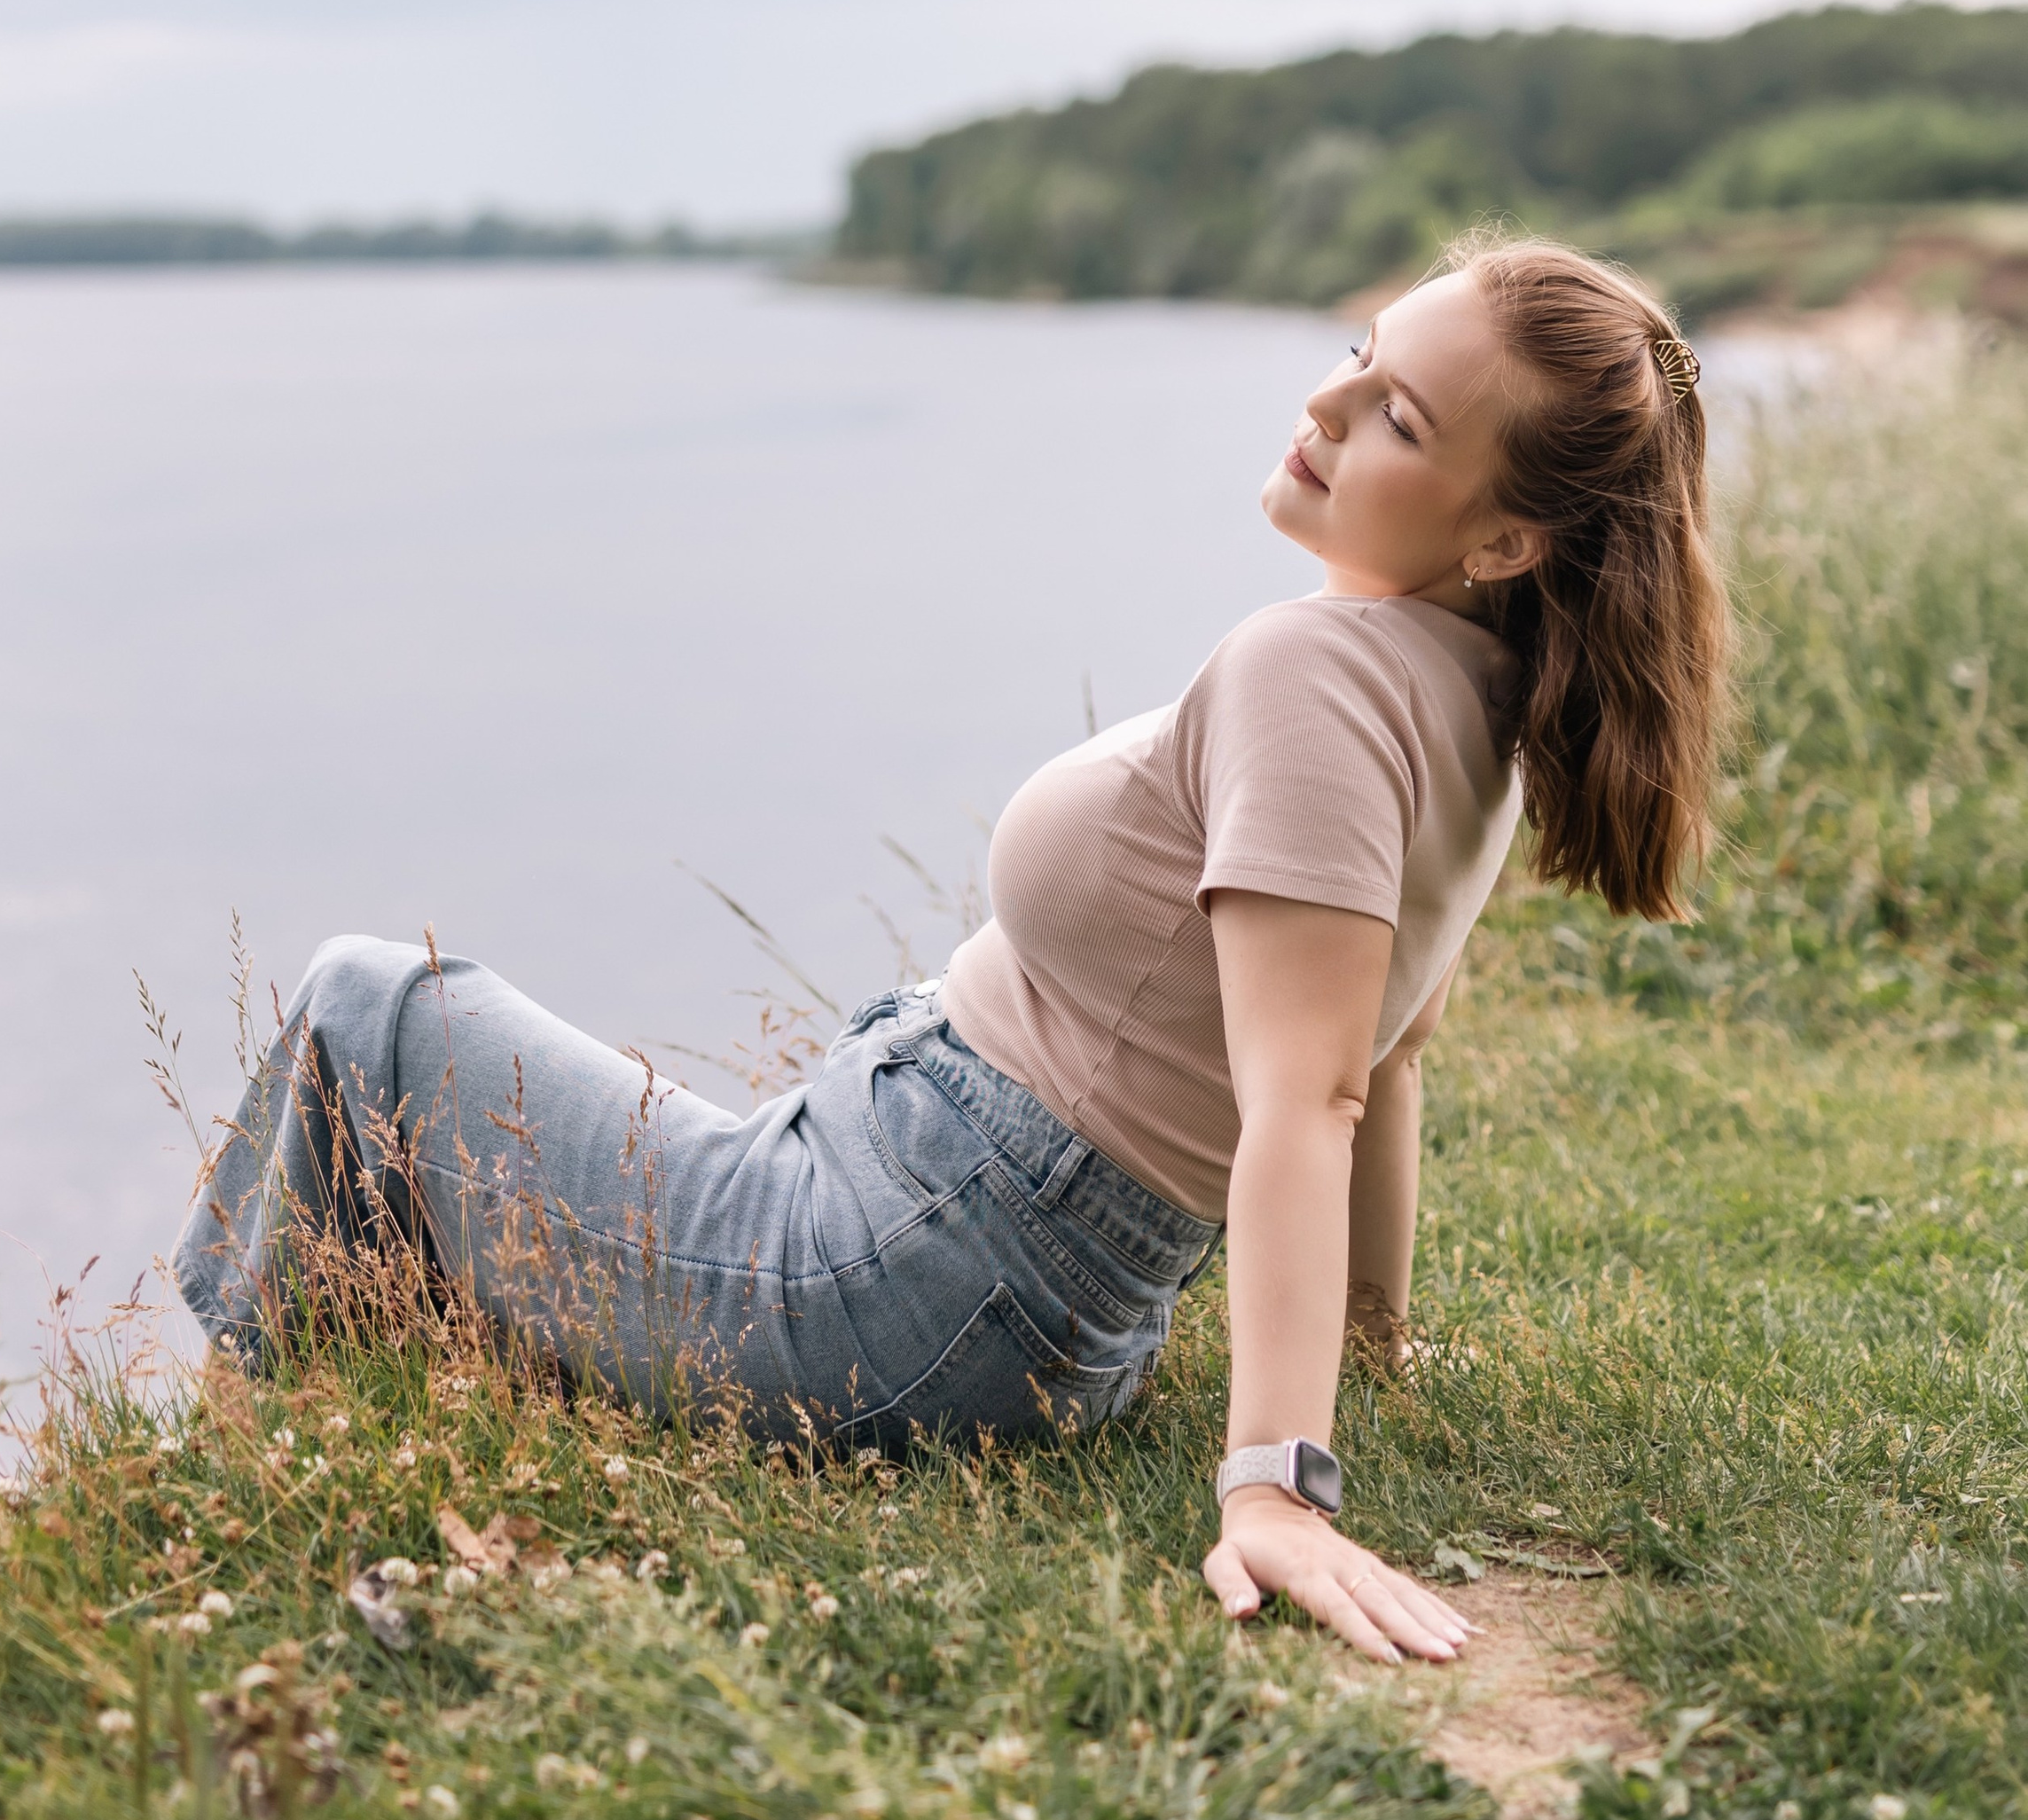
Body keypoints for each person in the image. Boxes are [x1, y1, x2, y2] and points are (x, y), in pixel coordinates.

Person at [174, 233, 1727, 1665]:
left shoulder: (1312, 671)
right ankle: (358, 1386)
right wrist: (1378, 1340)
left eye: (1397, 415)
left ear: (1513, 537)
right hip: (985, 1275)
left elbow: (1313, 1094)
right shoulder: (1469, 702)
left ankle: (234, 1460)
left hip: (898, 1283)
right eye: (1356, 351)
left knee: (366, 1006)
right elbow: (1392, 1057)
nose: (1323, 400)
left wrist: (1278, 1487)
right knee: (455, 1118)